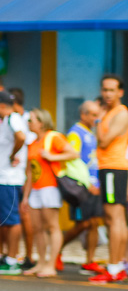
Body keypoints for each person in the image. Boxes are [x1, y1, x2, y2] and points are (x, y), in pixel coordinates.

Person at [22, 109, 78, 278]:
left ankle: (51, 264)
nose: (29, 123)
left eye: (31, 120)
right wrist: (25, 196)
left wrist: (52, 157)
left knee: (52, 226)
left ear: (41, 122)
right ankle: (41, 263)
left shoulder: (54, 137)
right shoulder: (32, 143)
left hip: (50, 187)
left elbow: (73, 153)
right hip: (36, 190)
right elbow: (30, 172)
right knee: (37, 228)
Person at [92, 74, 128, 284]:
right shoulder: (110, 112)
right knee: (118, 219)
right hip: (110, 168)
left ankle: (114, 268)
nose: (107, 94)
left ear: (120, 92)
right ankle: (120, 264)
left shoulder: (120, 114)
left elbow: (104, 142)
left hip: (114, 168)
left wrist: (97, 119)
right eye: (104, 90)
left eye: (111, 90)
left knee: (113, 217)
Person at [60, 100, 104, 274]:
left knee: (94, 223)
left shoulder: (92, 134)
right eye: (93, 115)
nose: (96, 118)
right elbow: (73, 159)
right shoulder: (75, 133)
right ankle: (57, 250)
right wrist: (87, 182)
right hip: (82, 186)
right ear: (83, 115)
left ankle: (89, 261)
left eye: (97, 114)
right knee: (83, 224)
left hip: (94, 186)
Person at [0, 92, 28, 275]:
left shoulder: (13, 119)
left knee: (12, 220)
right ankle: (8, 256)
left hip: (9, 179)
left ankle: (12, 259)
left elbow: (21, 137)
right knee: (6, 219)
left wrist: (13, 155)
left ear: (1, 105)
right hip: (3, 179)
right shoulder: (7, 120)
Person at [11, 88, 36, 269]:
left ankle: (29, 256)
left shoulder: (29, 121)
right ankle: (20, 255)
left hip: (26, 177)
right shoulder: (11, 119)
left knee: (25, 217)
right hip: (19, 176)